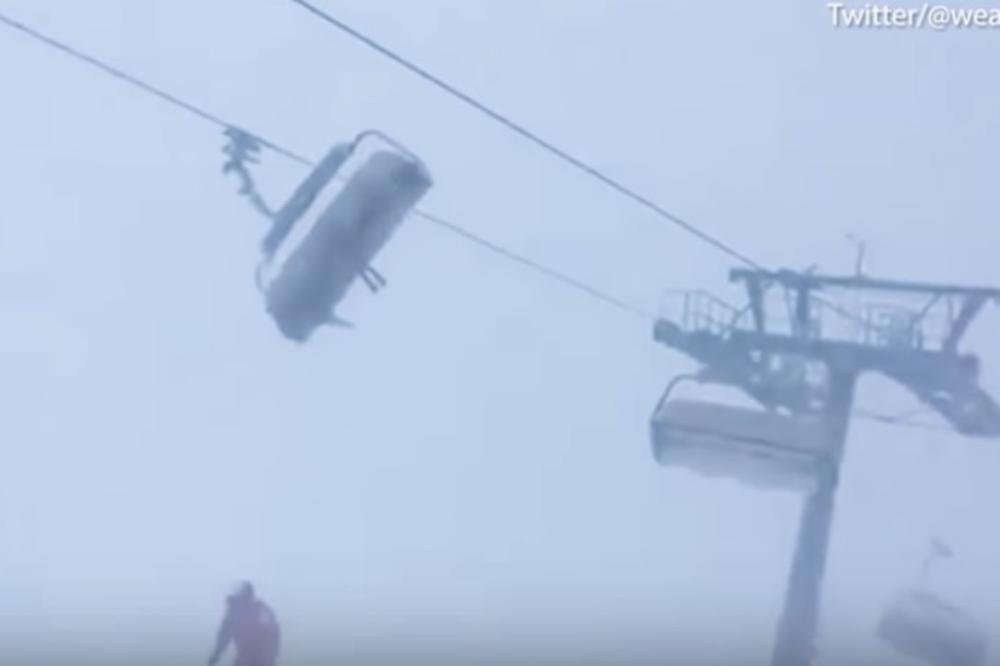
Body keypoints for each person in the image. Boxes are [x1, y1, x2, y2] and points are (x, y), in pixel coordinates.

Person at [207, 582, 281, 666]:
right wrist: (216, 654)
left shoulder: (260, 610)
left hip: (262, 657)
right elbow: (224, 636)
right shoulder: (234, 613)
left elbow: (274, 632)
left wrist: (272, 653)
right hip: (246, 656)